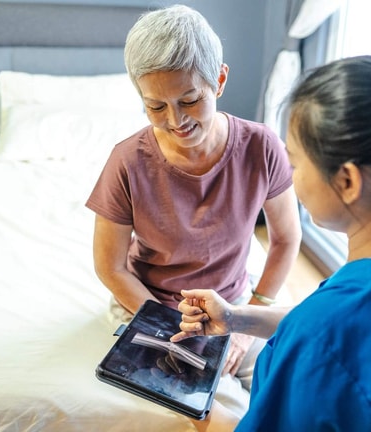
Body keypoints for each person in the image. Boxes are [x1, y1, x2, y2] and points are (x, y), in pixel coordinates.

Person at [171, 55, 371, 431]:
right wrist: (237, 318)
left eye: (296, 163)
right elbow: (348, 341)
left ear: (348, 181)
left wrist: (193, 406)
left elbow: (329, 338)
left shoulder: (326, 337)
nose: (290, 177)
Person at [85, 4, 302, 397]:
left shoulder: (261, 146)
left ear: (218, 80)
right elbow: (110, 266)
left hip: (233, 300)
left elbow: (287, 239)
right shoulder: (127, 161)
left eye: (189, 101)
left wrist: (245, 324)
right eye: (155, 106)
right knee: (175, 403)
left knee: (290, 390)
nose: (174, 120)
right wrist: (167, 325)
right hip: (149, 303)